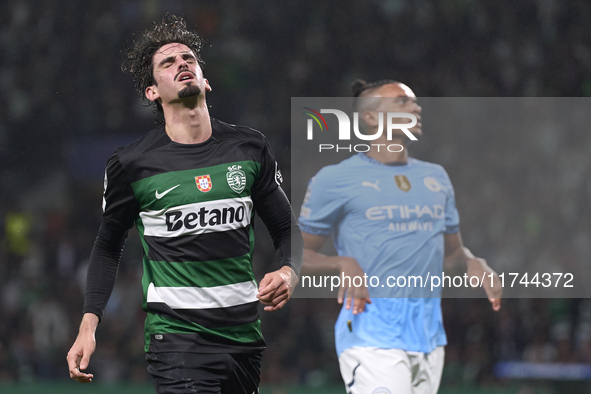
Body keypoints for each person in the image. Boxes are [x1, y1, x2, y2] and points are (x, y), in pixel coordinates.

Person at [66, 15, 302, 394]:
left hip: (244, 339)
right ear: (152, 92)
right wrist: (88, 324)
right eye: (168, 62)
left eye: (189, 58)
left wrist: (289, 272)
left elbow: (286, 228)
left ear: (205, 81)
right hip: (177, 342)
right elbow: (108, 245)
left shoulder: (249, 147)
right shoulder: (132, 163)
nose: (182, 64)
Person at [298, 79, 502, 394]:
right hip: (370, 336)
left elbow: (454, 253)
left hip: (429, 338)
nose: (416, 107)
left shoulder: (436, 177)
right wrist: (342, 263)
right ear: (370, 118)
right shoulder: (335, 179)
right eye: (402, 102)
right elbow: (296, 255)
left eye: (415, 102)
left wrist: (474, 262)